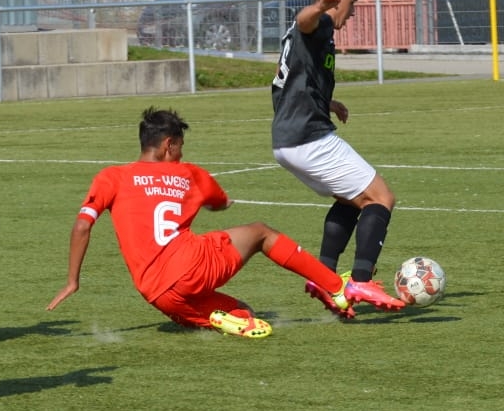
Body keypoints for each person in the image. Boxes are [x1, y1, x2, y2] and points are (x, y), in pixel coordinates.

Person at [46, 107, 357, 339]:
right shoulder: (189, 174)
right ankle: (336, 287)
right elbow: (218, 202)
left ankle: (220, 318)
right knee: (262, 233)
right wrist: (221, 202)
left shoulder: (110, 177)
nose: (181, 155)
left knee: (243, 312)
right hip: (191, 266)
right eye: (180, 147)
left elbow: (82, 226)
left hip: (156, 293)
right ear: (168, 145)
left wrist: (73, 281)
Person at [269, 0, 405, 310]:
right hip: (307, 137)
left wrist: (326, 102)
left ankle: (323, 276)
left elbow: (292, 80)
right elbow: (305, 21)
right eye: (353, 2)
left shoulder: (310, 34)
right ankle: (361, 282)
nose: (353, 11)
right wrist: (320, 7)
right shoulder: (319, 22)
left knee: (350, 200)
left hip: (290, 139)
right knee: (380, 198)